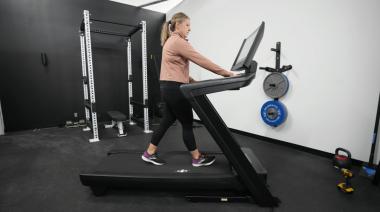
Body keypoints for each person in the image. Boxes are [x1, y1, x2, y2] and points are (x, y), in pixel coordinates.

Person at [142, 12, 236, 167]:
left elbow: (176, 71)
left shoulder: (170, 41)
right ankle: (196, 158)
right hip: (176, 90)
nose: (190, 29)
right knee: (187, 124)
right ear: (178, 25)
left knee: (166, 121)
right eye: (187, 25)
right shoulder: (178, 41)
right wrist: (227, 74)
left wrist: (193, 82)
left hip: (168, 88)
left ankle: (149, 153)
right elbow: (201, 60)